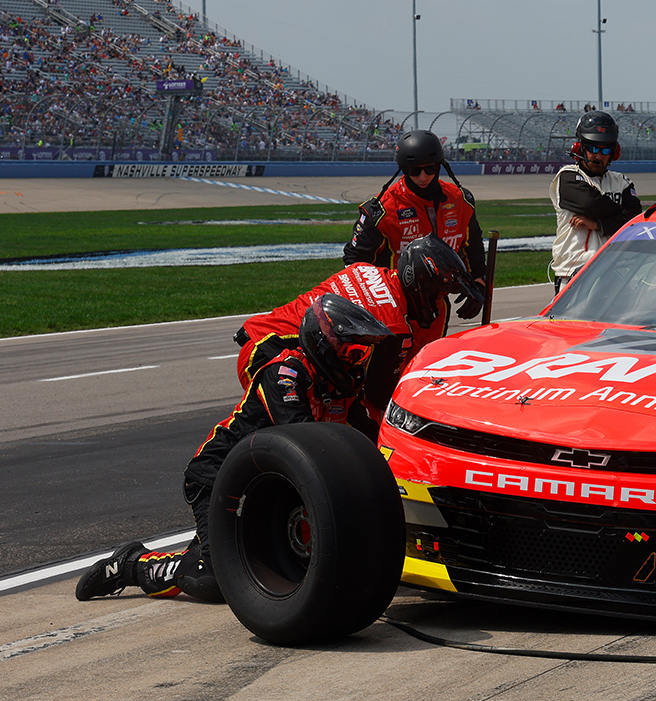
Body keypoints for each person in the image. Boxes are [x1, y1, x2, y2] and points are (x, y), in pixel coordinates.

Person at [75, 294, 395, 604]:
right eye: (351, 349)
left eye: (361, 350)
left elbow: (368, 439)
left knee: (259, 562)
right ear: (324, 345)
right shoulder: (287, 374)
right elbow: (305, 448)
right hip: (217, 473)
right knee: (213, 578)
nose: (357, 357)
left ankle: (206, 547)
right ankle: (131, 564)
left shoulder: (343, 384)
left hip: (261, 481)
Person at [234, 235, 481, 416]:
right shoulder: (393, 325)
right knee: (304, 440)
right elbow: (379, 396)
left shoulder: (366, 269)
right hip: (272, 357)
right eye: (439, 295)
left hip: (260, 335)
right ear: (421, 283)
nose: (439, 305)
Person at [343, 130, 487, 333]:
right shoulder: (382, 210)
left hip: (437, 308)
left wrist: (480, 280)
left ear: (439, 166)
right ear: (403, 169)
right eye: (414, 171)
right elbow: (354, 262)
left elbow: (473, 245)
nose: (423, 177)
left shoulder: (461, 200)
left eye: (430, 169)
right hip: (391, 310)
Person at [549, 111, 642, 293]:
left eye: (605, 150)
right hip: (575, 271)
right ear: (580, 148)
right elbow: (590, 204)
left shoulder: (622, 181)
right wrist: (620, 215)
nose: (598, 156)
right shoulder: (567, 177)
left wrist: (597, 223)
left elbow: (635, 219)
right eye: (593, 149)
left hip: (614, 272)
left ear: (614, 152)